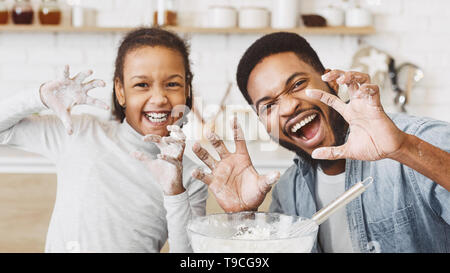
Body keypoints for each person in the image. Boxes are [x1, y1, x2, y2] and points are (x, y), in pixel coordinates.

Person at [191, 32, 450, 253]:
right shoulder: (288, 191)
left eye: (298, 84)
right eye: (269, 106)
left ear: (331, 81)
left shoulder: (418, 139)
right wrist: (245, 218)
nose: (289, 106)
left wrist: (404, 149)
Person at [0, 27, 207, 253]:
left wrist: (175, 192)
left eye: (172, 84)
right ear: (120, 91)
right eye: (142, 85)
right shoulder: (80, 132)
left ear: (187, 90)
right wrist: (39, 97)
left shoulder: (191, 176)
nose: (158, 98)